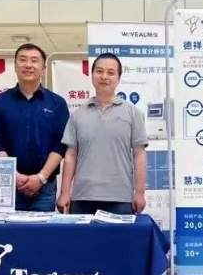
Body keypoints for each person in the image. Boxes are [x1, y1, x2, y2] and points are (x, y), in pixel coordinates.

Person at [56, 53, 148, 215]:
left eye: (110, 72)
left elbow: (139, 154)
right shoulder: (78, 115)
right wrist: (64, 193)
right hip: (82, 197)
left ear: (118, 78)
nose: (104, 76)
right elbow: (70, 155)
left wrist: (140, 193)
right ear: (92, 76)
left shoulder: (133, 113)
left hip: (120, 197)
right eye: (99, 71)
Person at [0, 43, 70, 212]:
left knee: (43, 229)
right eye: (23, 60)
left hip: (45, 187)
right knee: (6, 229)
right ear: (15, 66)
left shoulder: (57, 103)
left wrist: (41, 178)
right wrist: (14, 176)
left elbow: (61, 145)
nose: (28, 65)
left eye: (34, 60)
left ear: (43, 68)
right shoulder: (0, 102)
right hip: (7, 185)